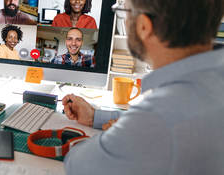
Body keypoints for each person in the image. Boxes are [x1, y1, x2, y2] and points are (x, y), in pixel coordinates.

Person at [61, 0, 224, 174]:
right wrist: (96, 117)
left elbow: (79, 165)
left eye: (124, 11)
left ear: (144, 26)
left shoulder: (160, 118)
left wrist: (118, 135)